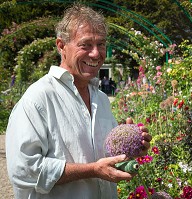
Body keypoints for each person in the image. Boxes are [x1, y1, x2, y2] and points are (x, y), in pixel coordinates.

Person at [5, 3, 152, 199]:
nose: (96, 53)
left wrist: (130, 146)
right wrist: (92, 170)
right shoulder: (38, 99)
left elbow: (105, 161)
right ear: (61, 46)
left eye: (101, 44)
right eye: (86, 45)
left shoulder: (101, 99)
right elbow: (23, 170)